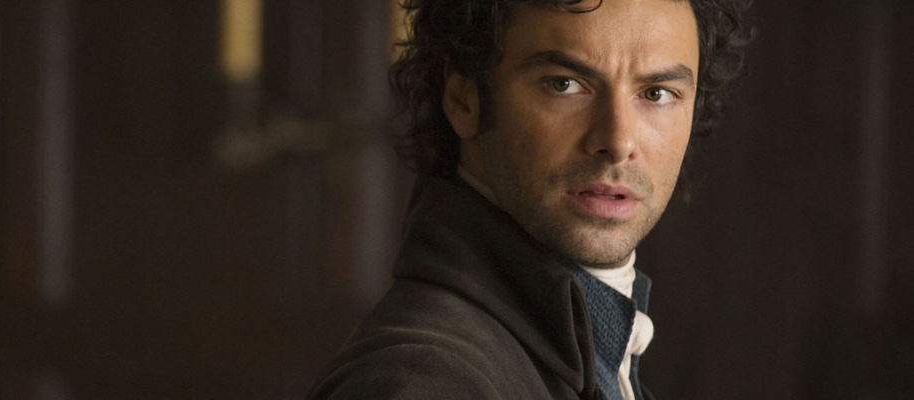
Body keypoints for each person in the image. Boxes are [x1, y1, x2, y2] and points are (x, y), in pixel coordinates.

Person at [305, 0, 751, 399]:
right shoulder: (426, 383)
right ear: (464, 100)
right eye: (565, 84)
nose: (618, 141)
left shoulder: (590, 357)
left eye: (657, 94)